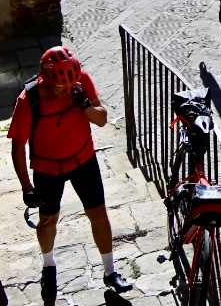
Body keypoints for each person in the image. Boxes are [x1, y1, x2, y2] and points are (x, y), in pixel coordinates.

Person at [9, 46, 134, 304]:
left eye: (70, 84)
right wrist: (26, 186)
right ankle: (48, 266)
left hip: (83, 160)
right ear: (47, 79)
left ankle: (110, 271)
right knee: (48, 222)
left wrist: (84, 103)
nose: (66, 90)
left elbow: (101, 119)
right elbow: (18, 147)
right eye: (60, 86)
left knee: (99, 215)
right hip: (47, 169)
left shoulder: (81, 82)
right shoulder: (29, 99)